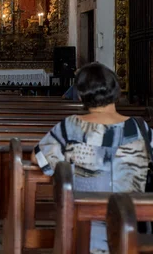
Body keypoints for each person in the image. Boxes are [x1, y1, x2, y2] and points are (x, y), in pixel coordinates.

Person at [32, 62, 152, 253]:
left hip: (86, 228)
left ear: (80, 95)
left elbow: (38, 158)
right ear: (117, 90)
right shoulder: (140, 128)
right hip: (135, 225)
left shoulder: (71, 127)